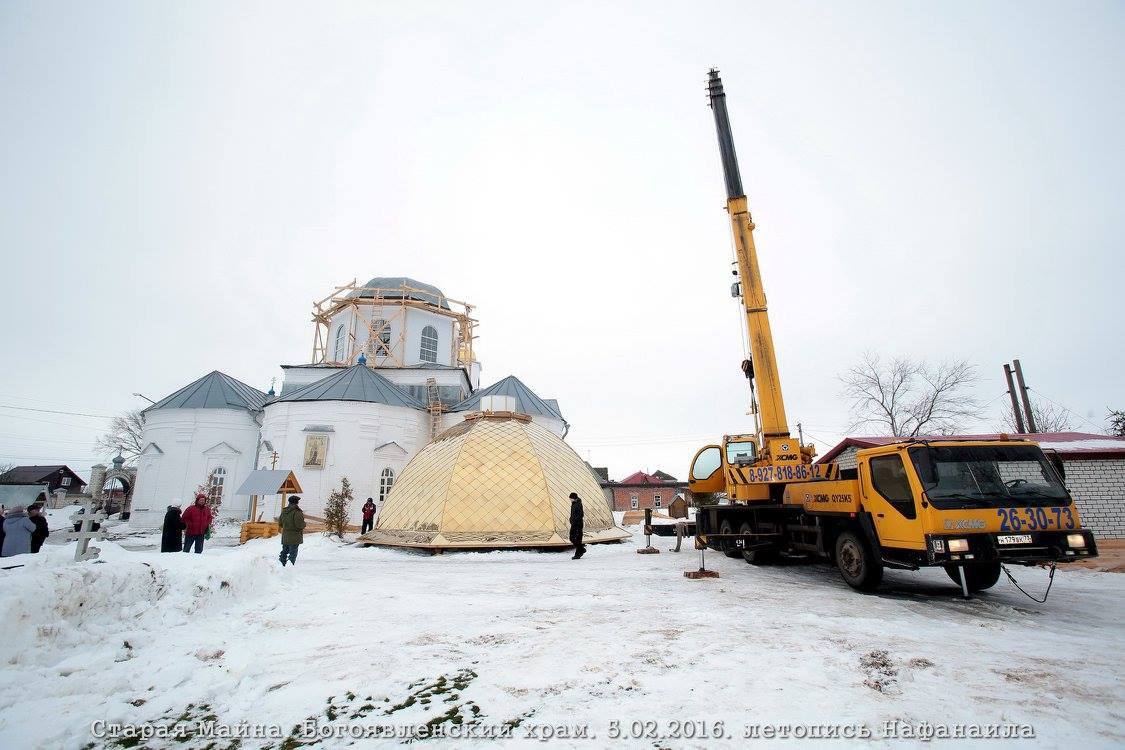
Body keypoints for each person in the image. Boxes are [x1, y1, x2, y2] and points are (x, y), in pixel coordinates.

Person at [277, 496, 305, 567]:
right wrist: (304, 524)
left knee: (284, 551)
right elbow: (300, 525)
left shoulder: (284, 511)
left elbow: (280, 523)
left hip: (285, 535)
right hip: (294, 536)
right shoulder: (297, 512)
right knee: (293, 553)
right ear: (297, 502)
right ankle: (289, 568)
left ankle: (281, 565)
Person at [569, 492, 586, 559]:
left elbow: (581, 515)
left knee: (576, 538)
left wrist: (575, 520)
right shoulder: (574, 504)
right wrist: (571, 519)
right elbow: (573, 514)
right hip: (574, 523)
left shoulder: (578, 504)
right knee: (572, 538)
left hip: (578, 524)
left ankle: (578, 553)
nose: (570, 499)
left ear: (574, 498)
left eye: (570, 498)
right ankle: (581, 549)